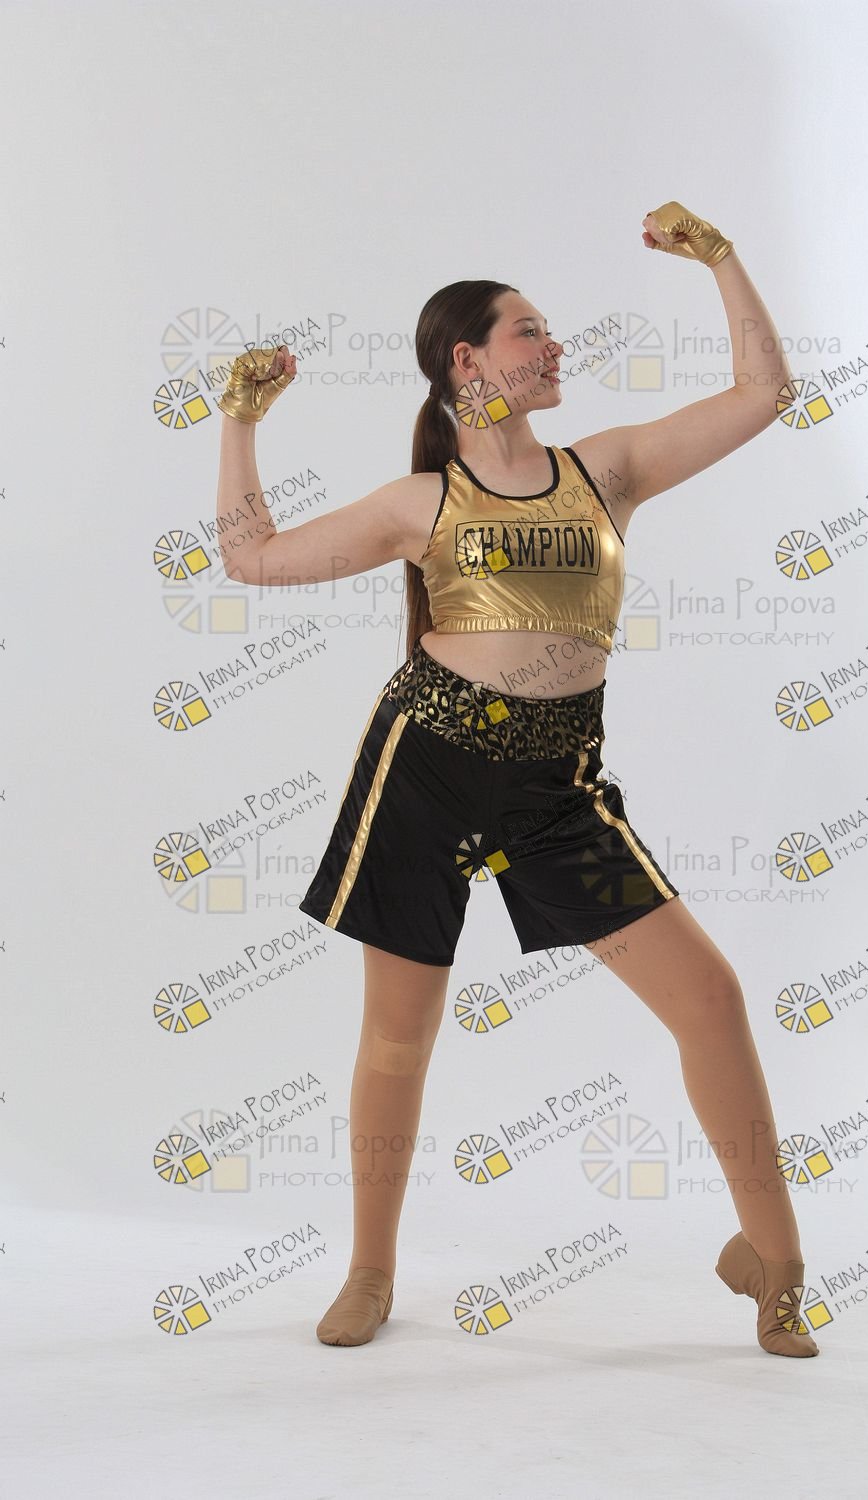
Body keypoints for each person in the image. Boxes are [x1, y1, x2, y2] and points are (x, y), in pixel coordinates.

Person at [214, 200, 820, 1359]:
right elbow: (252, 559)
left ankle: (774, 1264)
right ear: (468, 362)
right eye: (528, 331)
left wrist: (723, 260)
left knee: (709, 999)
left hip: (557, 790)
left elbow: (761, 394)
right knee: (400, 1038)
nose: (553, 345)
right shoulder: (423, 504)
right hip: (426, 769)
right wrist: (240, 421)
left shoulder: (608, 470)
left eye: (547, 330)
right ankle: (370, 1270)